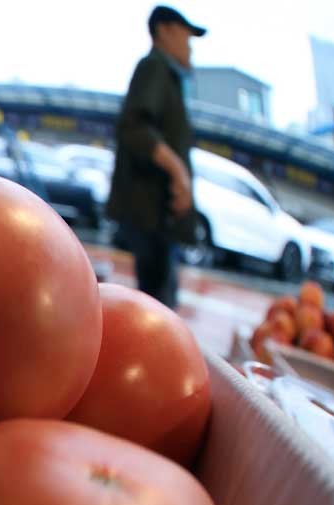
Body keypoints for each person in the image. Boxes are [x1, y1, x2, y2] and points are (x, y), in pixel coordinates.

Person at [106, 5, 207, 309]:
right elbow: (135, 128)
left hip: (158, 218)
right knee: (157, 309)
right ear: (164, 30)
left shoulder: (168, 76)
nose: (190, 48)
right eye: (186, 38)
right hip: (151, 216)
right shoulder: (154, 67)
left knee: (159, 304)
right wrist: (179, 173)